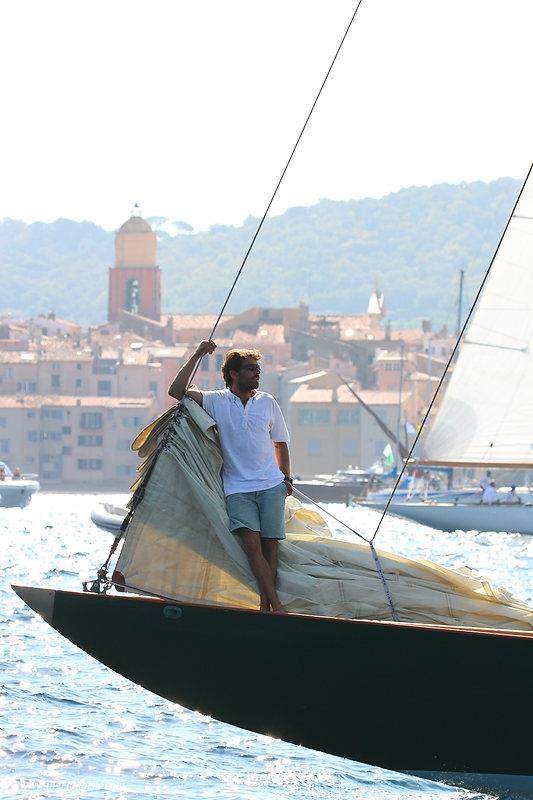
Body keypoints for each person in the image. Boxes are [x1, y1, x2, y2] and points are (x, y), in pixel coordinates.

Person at [169, 340, 291, 614]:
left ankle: (264, 606)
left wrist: (287, 480)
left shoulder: (267, 401)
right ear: (233, 374)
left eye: (258, 368)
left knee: (271, 548)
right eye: (250, 369)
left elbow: (280, 443)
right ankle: (277, 605)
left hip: (272, 485)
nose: (257, 373)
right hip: (237, 488)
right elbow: (176, 391)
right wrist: (198, 353)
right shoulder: (215, 400)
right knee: (252, 548)